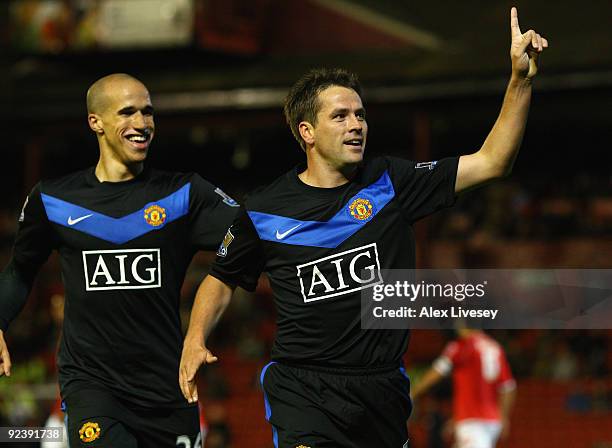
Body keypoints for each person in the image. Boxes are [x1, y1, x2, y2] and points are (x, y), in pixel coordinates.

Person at [180, 8, 547, 447]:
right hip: (304, 388)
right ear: (307, 132)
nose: (356, 124)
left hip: (382, 391)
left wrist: (519, 80)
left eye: (360, 114)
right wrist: (194, 339)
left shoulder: (390, 181)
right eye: (340, 116)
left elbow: (492, 161)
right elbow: (221, 278)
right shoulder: (263, 209)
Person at [0, 73, 238, 447]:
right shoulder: (54, 200)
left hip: (168, 386)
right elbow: (20, 271)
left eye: (148, 112)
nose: (142, 123)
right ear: (96, 121)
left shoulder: (184, 194)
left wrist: (199, 328)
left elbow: (254, 237)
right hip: (93, 387)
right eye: (127, 112)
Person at [411, 328, 516, 448]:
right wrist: (503, 417)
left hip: (472, 421)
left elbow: (438, 370)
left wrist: (414, 391)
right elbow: (508, 387)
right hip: (492, 421)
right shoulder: (495, 348)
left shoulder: (462, 346)